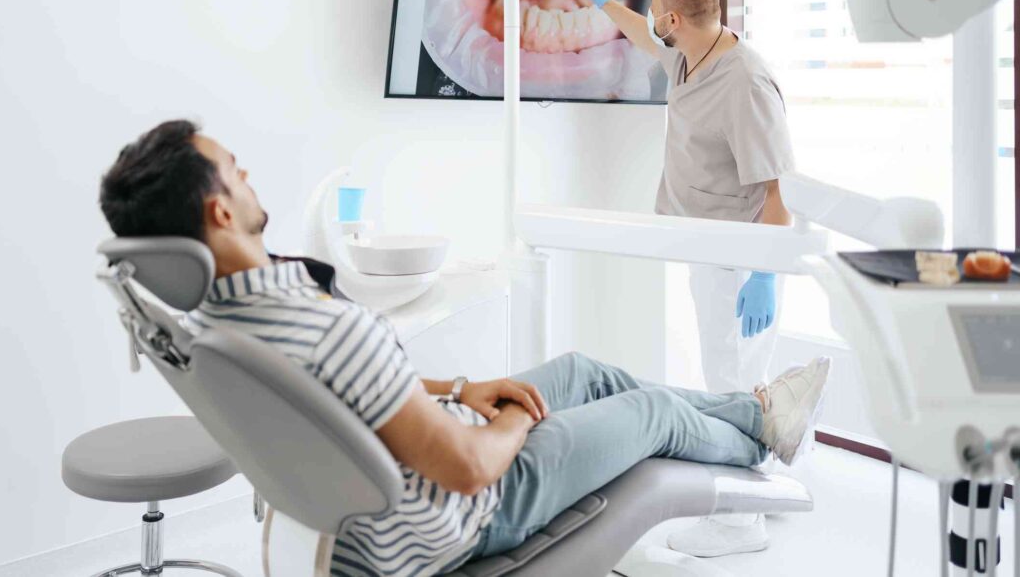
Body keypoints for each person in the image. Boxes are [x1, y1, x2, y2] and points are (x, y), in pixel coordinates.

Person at [98, 121, 828, 577]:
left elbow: (348, 398)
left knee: (582, 369)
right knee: (650, 413)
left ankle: (757, 411)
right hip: (462, 512)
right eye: (235, 166)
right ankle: (762, 432)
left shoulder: (230, 321)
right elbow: (470, 465)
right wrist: (514, 421)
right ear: (221, 208)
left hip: (374, 519)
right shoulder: (320, 327)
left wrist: (460, 389)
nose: (250, 173)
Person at [569, 0, 798, 556]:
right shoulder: (690, 52)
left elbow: (780, 195)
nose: (652, 23)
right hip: (707, 244)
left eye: (657, 13)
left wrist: (766, 274)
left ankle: (738, 523)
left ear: (676, 15)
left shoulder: (746, 81)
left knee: (732, 386)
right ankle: (768, 483)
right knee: (741, 382)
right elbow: (646, 38)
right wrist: (603, 1)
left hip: (741, 255)